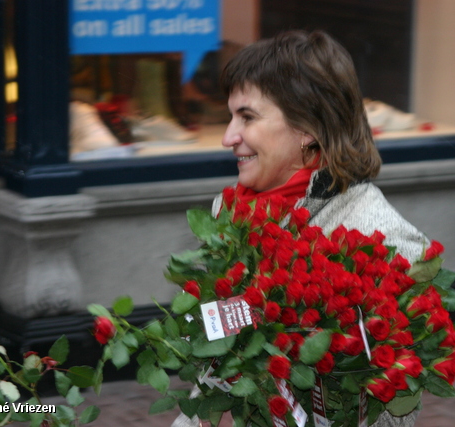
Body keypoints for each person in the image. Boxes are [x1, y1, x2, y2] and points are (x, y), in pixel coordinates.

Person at [173, 30, 429, 427]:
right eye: (230, 116)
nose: (227, 137)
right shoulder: (231, 210)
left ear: (308, 127)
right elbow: (217, 355)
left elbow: (391, 403)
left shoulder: (382, 240)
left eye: (248, 117)